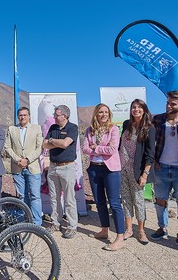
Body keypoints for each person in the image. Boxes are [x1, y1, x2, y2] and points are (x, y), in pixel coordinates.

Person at [82, 103, 125, 251]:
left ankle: (120, 237)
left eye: (106, 112)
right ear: (96, 114)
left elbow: (113, 149)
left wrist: (96, 148)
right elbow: (85, 149)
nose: (103, 114)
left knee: (114, 203)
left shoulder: (113, 129)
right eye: (101, 112)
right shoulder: (90, 130)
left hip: (110, 170)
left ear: (109, 114)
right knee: (100, 201)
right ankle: (104, 230)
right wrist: (98, 150)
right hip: (94, 169)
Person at [151, 91, 178, 246]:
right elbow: (150, 141)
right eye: (168, 102)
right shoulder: (158, 119)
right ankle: (162, 227)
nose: (169, 105)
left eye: (173, 103)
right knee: (160, 199)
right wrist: (154, 160)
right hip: (161, 166)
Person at [118, 99, 155, 245]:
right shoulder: (127, 124)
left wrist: (145, 174)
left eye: (139, 107)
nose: (136, 110)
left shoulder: (149, 128)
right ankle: (128, 229)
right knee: (126, 200)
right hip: (122, 169)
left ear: (144, 110)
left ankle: (141, 231)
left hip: (137, 170)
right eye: (134, 107)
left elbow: (150, 154)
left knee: (138, 201)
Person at [43, 105, 79, 239]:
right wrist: (55, 142)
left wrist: (53, 141)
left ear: (65, 115)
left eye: (57, 114)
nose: (54, 116)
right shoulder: (52, 128)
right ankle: (55, 223)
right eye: (54, 114)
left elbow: (65, 144)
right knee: (54, 197)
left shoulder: (72, 128)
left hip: (67, 167)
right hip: (53, 167)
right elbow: (45, 144)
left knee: (69, 198)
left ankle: (72, 226)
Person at [4, 107, 43, 226]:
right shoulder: (12, 129)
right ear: (17, 116)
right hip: (17, 167)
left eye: (25, 115)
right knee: (22, 196)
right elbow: (7, 147)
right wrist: (18, 160)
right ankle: (24, 220)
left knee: (35, 196)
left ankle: (36, 223)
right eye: (20, 115)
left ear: (29, 116)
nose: (22, 117)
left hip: (33, 167)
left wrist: (28, 160)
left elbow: (40, 147)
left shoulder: (37, 128)